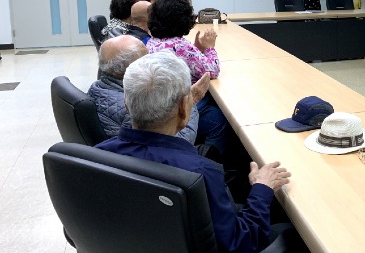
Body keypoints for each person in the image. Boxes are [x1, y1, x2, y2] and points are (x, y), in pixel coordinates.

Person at [95, 51, 294, 253]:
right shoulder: (198, 175)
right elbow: (242, 243)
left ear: (127, 104)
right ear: (184, 108)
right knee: (291, 233)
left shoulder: (97, 155)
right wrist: (262, 188)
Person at [146, 0, 230, 159]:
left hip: (160, 101)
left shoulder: (153, 41)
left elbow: (186, 60)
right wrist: (210, 47)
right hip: (178, 105)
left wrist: (197, 48)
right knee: (219, 120)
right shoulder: (181, 46)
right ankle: (210, 161)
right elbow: (211, 71)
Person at [88, 35, 207, 142]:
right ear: (132, 68)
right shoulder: (135, 104)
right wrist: (190, 100)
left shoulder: (96, 88)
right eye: (146, 57)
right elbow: (178, 141)